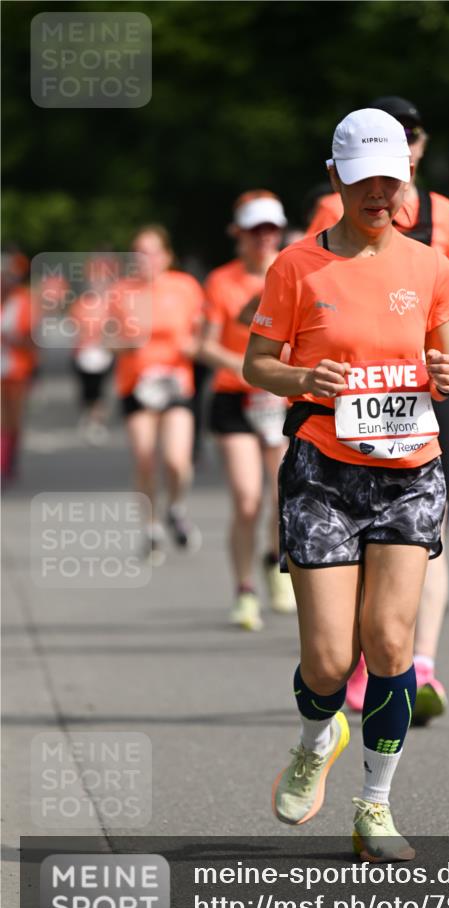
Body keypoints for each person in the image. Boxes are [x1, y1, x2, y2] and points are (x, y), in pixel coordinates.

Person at [243, 108, 449, 861]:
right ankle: (317, 739)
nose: (380, 195)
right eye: (365, 180)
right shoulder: (295, 267)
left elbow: (444, 365)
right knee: (329, 662)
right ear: (335, 178)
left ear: (408, 179)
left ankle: (375, 805)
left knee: (391, 645)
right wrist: (305, 377)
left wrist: (446, 374)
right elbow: (256, 364)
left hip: (409, 471)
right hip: (324, 472)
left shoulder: (432, 267)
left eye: (392, 181)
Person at [309, 96, 449, 724]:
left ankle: (417, 659)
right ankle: (360, 653)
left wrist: (443, 350)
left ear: (418, 149)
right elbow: (315, 279)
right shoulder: (336, 211)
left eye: (412, 137)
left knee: (429, 528)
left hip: (421, 389)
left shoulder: (443, 214)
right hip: (349, 402)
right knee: (356, 545)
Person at [200, 191, 296, 630]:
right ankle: (244, 590)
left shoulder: (292, 272)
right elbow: (204, 344)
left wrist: (282, 374)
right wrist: (246, 369)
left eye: (271, 229)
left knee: (281, 496)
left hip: (281, 398)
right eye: (255, 230)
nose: (264, 237)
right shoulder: (221, 281)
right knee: (246, 498)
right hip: (235, 399)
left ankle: (275, 561)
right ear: (238, 233)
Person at [109, 225, 204, 562]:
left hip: (176, 382)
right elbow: (105, 339)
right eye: (138, 251)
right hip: (137, 384)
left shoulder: (185, 287)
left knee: (177, 460)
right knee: (145, 458)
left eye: (150, 251)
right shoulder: (121, 292)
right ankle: (150, 529)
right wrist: (125, 344)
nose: (143, 258)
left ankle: (175, 507)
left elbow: (203, 332)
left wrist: (194, 346)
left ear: (166, 256)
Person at [69, 254, 118, 445]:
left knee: (101, 390)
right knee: (86, 391)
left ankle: (97, 421)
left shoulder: (111, 304)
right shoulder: (80, 304)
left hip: (104, 353)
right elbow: (75, 329)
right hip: (84, 354)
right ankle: (88, 416)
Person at [1, 251, 36, 484]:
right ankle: (3, 463)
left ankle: (10, 460)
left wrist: (13, 339)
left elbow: (32, 340)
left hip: (17, 369)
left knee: (13, 419)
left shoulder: (24, 301)